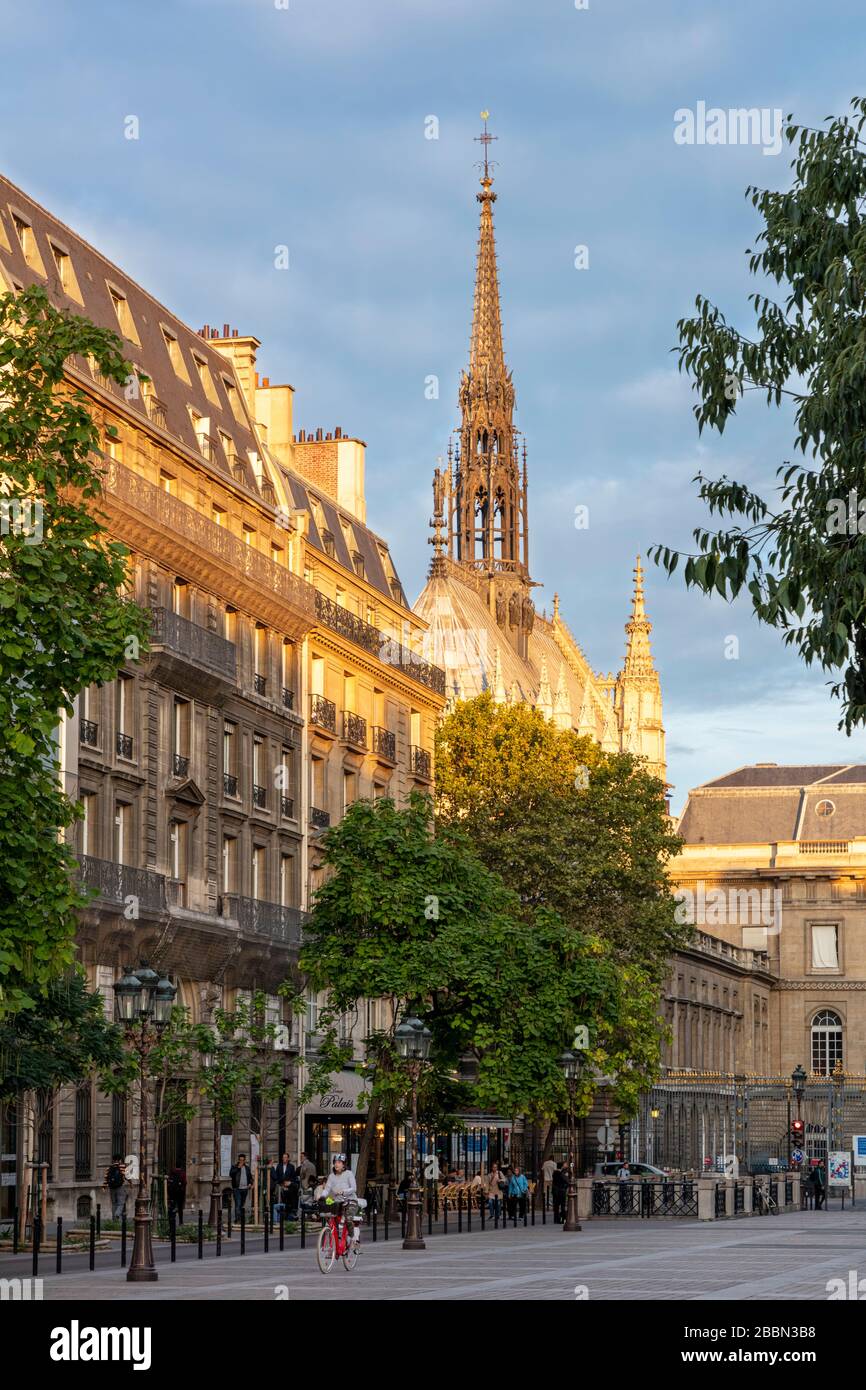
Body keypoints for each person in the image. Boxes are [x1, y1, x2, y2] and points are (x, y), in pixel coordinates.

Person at [320, 1155, 361, 1243]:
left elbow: (354, 1188)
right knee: (329, 1214)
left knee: (348, 1218)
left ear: (344, 1165)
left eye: (339, 1162)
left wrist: (343, 1191)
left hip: (350, 1200)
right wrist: (322, 1196)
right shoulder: (331, 1176)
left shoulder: (349, 1174)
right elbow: (327, 1189)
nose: (336, 1164)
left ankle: (352, 1237)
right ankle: (334, 1243)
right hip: (337, 1201)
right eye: (335, 1162)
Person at [104, 1154, 128, 1221]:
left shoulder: (109, 1168)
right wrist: (131, 1183)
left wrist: (104, 1187)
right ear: (120, 1160)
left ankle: (114, 1220)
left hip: (111, 1188)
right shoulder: (122, 1166)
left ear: (113, 1160)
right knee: (121, 1203)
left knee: (114, 1203)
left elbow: (106, 1178)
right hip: (120, 1187)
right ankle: (117, 1214)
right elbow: (126, 1176)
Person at [230, 1153, 252, 1219]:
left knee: (242, 1204)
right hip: (237, 1189)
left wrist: (250, 1183)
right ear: (238, 1160)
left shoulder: (247, 1168)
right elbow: (231, 1174)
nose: (241, 1161)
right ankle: (238, 1219)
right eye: (240, 1160)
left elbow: (250, 1177)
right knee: (238, 1204)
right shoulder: (234, 1166)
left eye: (243, 1160)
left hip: (245, 1189)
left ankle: (241, 1218)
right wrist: (238, 1168)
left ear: (245, 1160)